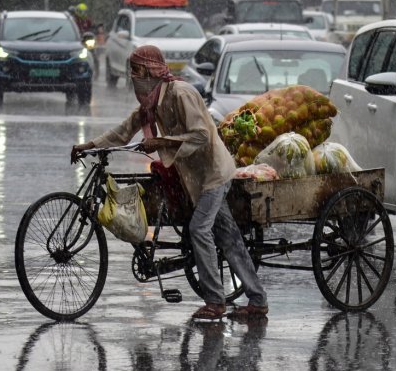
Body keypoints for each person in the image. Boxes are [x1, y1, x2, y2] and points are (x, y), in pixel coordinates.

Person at [70, 45, 268, 320]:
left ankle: (215, 301)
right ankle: (257, 300)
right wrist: (88, 146)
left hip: (214, 172)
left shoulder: (181, 93)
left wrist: (161, 141)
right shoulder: (150, 106)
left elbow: (200, 135)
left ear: (151, 70)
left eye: (137, 70)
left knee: (200, 229)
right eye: (132, 71)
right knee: (229, 238)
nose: (133, 76)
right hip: (196, 177)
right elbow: (123, 132)